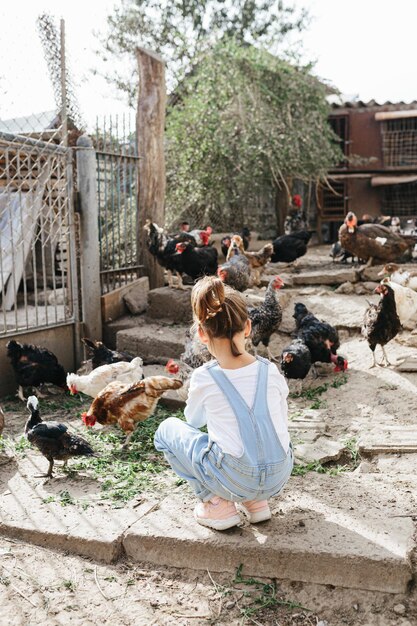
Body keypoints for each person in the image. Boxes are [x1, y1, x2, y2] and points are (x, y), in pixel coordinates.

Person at [154, 276, 293, 531]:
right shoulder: (271, 371)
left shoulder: (205, 377)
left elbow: (194, 423)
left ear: (202, 333)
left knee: (167, 430)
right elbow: (280, 421)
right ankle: (256, 501)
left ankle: (215, 503)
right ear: (248, 327)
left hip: (235, 475)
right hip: (278, 474)